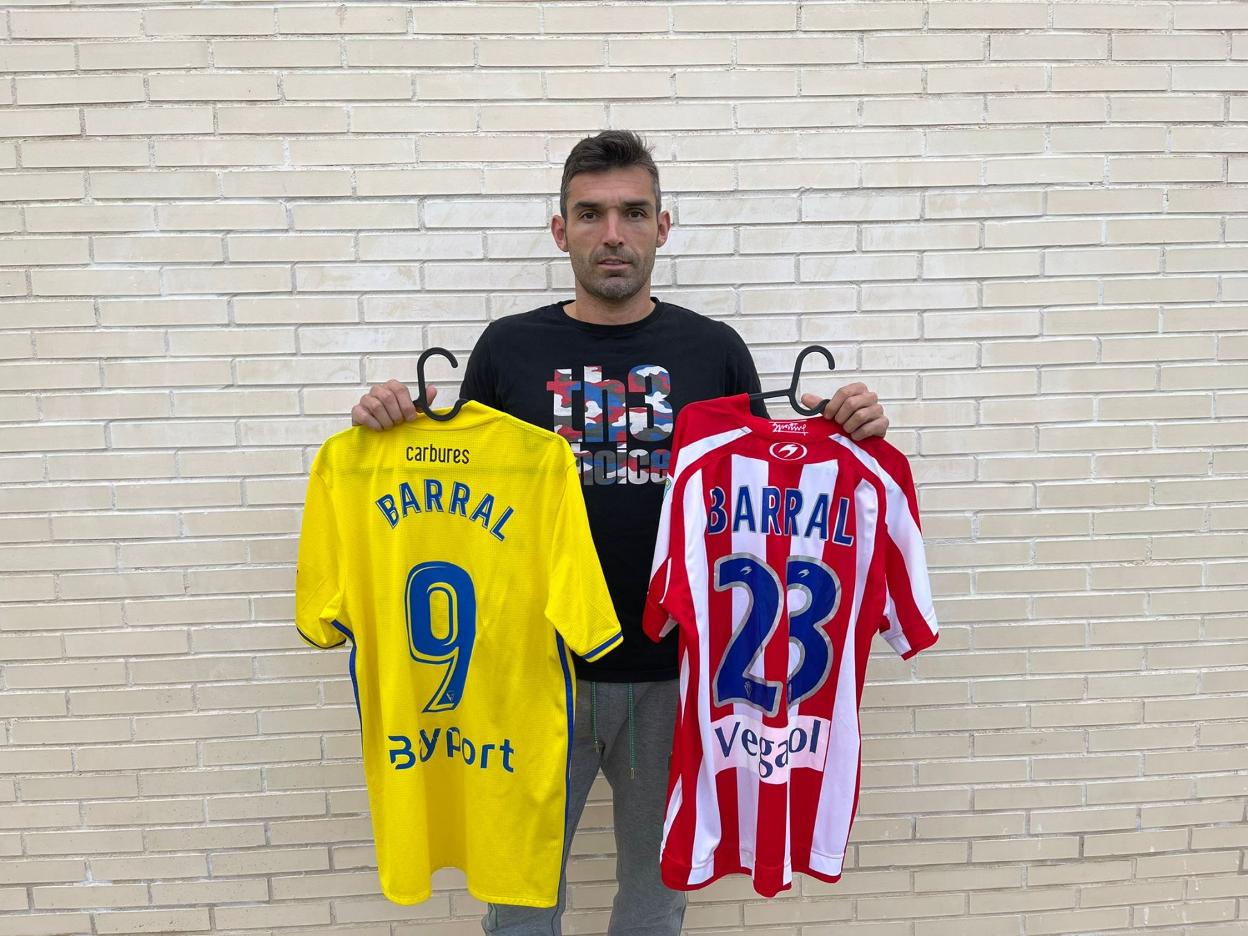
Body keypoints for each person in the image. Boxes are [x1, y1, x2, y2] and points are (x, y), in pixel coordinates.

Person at [350, 130, 890, 936]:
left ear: (662, 227)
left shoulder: (713, 350)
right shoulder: (508, 348)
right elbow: (451, 486)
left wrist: (851, 432)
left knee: (655, 896)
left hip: (676, 678)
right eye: (592, 213)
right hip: (534, 678)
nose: (613, 233)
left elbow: (769, 493)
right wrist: (386, 428)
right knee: (521, 898)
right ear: (559, 229)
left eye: (633, 213)